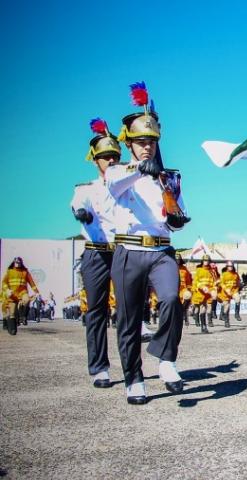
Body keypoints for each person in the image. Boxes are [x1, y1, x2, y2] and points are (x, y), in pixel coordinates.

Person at [106, 82, 190, 404]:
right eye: (141, 142)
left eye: (151, 142)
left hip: (160, 251)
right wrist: (142, 169)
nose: (147, 147)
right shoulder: (117, 173)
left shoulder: (169, 178)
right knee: (129, 320)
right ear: (129, 144)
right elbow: (116, 184)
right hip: (129, 250)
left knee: (171, 298)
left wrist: (177, 219)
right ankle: (133, 377)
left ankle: (167, 359)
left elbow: (175, 214)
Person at [70, 117, 120, 386]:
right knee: (97, 310)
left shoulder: (127, 186)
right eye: (105, 157)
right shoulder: (86, 188)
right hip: (96, 252)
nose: (111, 161)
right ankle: (100, 367)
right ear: (95, 160)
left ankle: (132, 365)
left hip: (122, 250)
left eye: (114, 156)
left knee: (129, 307)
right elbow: (79, 203)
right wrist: (82, 213)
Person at [2, 257, 40, 335]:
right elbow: (4, 283)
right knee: (12, 313)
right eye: (16, 262)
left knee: (27, 300)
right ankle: (12, 329)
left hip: (22, 292)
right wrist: (7, 290)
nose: (17, 264)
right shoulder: (9, 272)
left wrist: (37, 292)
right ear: (14, 263)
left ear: (21, 263)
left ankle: (23, 317)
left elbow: (31, 282)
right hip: (12, 295)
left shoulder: (25, 271)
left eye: (19, 262)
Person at [191, 255, 215, 333]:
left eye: (207, 260)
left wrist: (214, 290)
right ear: (202, 261)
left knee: (204, 308)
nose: (206, 262)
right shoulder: (199, 270)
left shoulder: (212, 271)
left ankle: (204, 326)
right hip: (199, 292)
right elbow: (196, 281)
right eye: (204, 260)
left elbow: (214, 282)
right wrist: (202, 286)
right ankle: (202, 325)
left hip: (207, 293)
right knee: (200, 307)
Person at [217, 260, 241, 328]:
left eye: (231, 266)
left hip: (233, 291)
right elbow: (222, 283)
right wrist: (226, 289)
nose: (230, 267)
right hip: (225, 292)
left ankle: (237, 314)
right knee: (226, 307)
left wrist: (239, 286)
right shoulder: (224, 274)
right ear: (227, 267)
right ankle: (226, 321)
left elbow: (238, 282)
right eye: (229, 266)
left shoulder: (236, 274)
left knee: (238, 298)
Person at [177, 254, 192, 327]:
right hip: (174, 289)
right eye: (176, 259)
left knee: (188, 296)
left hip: (183, 289)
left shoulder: (184, 269)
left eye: (178, 259)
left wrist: (189, 289)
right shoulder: (170, 268)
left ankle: (184, 314)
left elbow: (188, 281)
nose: (177, 261)